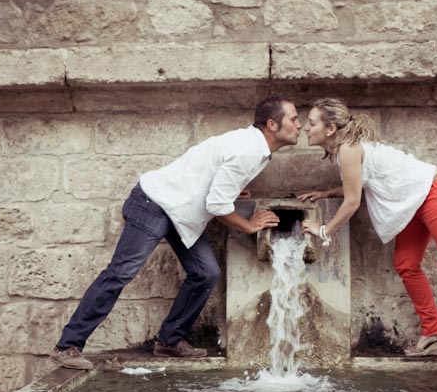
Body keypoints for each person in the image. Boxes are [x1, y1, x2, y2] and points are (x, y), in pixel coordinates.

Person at [50, 96, 301, 369]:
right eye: (294, 119)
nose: (299, 125)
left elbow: (208, 167)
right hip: (154, 204)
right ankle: (68, 346)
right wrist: (248, 225)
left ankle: (169, 340)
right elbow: (216, 205)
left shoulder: (254, 147)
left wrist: (229, 189)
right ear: (273, 124)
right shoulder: (249, 150)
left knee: (206, 273)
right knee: (120, 273)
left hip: (181, 214)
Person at [298, 97, 437, 364]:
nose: (305, 128)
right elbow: (360, 182)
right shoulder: (345, 149)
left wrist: (323, 230)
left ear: (330, 128)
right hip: (413, 202)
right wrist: (327, 192)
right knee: (406, 263)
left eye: (311, 123)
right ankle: (434, 333)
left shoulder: (348, 149)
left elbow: (353, 201)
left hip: (434, 192)